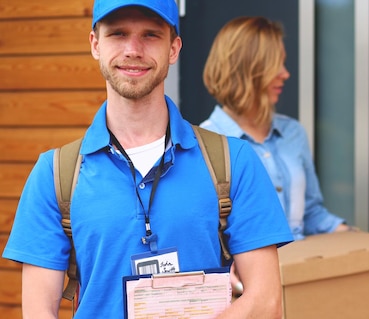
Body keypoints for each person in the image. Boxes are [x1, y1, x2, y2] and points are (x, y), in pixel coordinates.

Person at [2, 1, 293, 318]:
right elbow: (38, 312)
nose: (133, 49)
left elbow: (267, 304)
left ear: (173, 48)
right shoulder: (55, 175)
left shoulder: (234, 162)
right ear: (96, 44)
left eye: (151, 35)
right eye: (118, 33)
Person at [200, 16, 353, 243]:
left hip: (304, 269)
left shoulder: (293, 133)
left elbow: (310, 214)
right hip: (250, 275)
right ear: (247, 69)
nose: (285, 73)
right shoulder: (205, 144)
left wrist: (354, 237)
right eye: (276, 64)